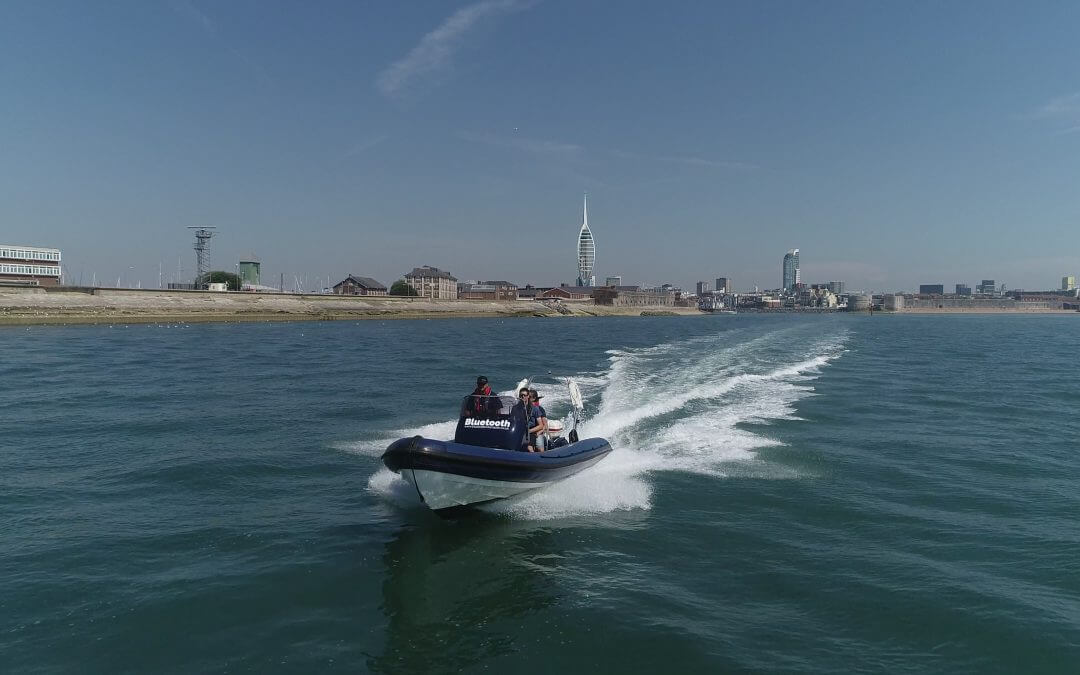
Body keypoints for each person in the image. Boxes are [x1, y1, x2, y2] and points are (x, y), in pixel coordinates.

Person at [527, 388, 548, 452]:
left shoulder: (540, 409)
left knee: (540, 449)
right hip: (529, 431)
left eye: (529, 397)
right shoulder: (525, 408)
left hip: (537, 432)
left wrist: (538, 432)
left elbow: (545, 426)